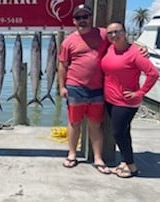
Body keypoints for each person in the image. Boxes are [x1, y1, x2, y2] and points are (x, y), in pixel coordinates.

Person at [58, 4, 111, 174]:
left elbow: (121, 41)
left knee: (95, 125)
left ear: (90, 17)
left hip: (97, 89)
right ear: (74, 21)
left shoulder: (103, 33)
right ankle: (72, 154)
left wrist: (140, 48)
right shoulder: (68, 41)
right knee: (74, 124)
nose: (82, 20)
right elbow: (62, 65)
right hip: (75, 88)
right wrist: (61, 86)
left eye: (85, 16)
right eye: (79, 18)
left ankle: (97, 157)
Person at [101, 22, 159, 178]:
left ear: (125, 32)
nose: (113, 35)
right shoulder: (110, 48)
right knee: (124, 132)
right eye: (110, 33)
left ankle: (132, 166)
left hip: (125, 102)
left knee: (118, 133)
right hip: (110, 99)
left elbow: (153, 73)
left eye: (117, 32)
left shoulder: (135, 53)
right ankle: (124, 162)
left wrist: (140, 92)